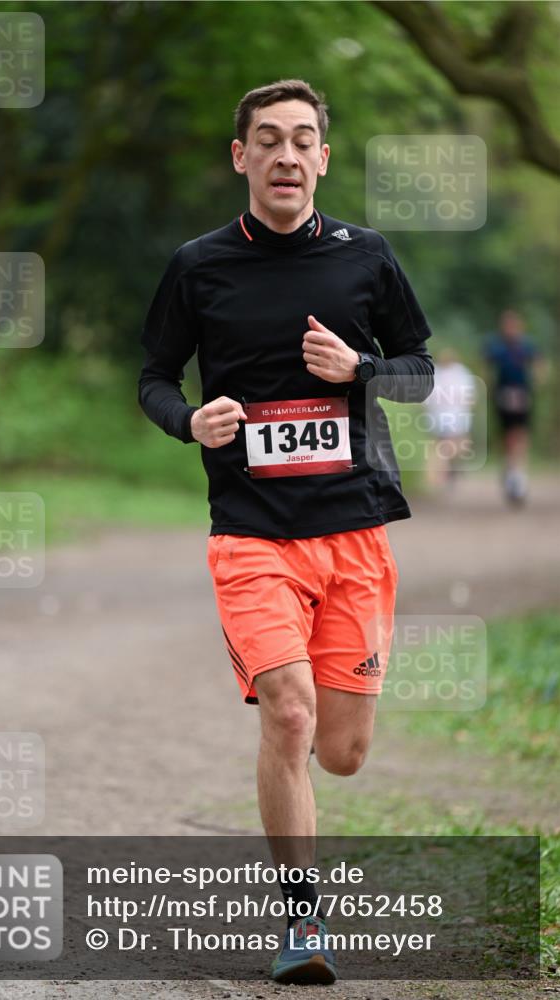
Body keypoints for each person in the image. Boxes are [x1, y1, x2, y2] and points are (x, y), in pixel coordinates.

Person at [138, 79, 434, 984]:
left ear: (322, 159)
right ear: (241, 158)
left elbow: (419, 373)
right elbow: (154, 377)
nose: (285, 156)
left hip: (351, 533)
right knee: (289, 711)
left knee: (339, 752)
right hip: (250, 535)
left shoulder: (366, 256)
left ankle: (293, 768)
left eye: (302, 140)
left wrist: (362, 366)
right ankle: (301, 927)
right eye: (266, 140)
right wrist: (189, 421)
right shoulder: (197, 266)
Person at [484, 309, 540, 505]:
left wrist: (535, 382)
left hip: (522, 394)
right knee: (507, 435)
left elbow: (538, 365)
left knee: (521, 433)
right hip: (504, 395)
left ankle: (518, 473)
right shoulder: (497, 347)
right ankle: (510, 469)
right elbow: (488, 367)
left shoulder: (526, 346)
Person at [423, 348, 477, 491]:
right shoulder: (436, 373)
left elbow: (470, 396)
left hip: (457, 415)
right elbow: (428, 397)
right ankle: (444, 472)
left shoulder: (461, 373)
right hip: (440, 417)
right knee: (446, 446)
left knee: (456, 447)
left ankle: (449, 469)